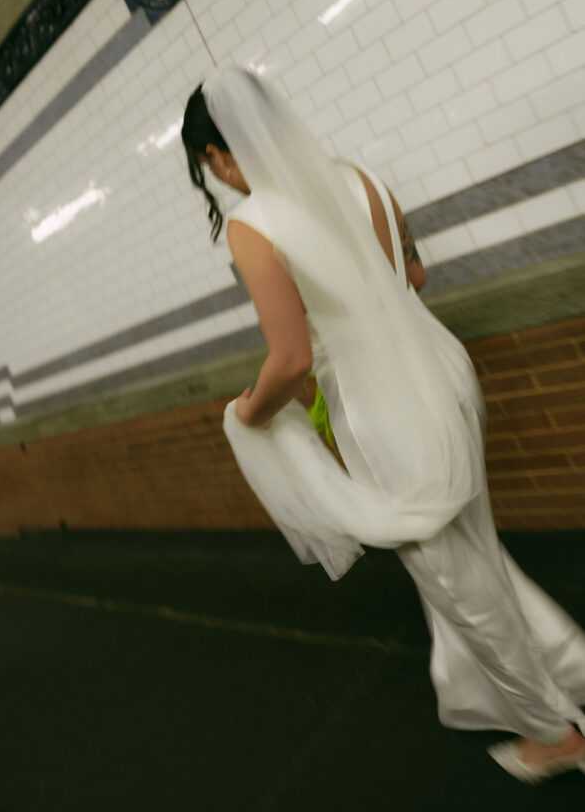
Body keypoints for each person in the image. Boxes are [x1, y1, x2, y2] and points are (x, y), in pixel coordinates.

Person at [181, 65, 585, 783]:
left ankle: (553, 735)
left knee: (459, 586)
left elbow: (290, 359)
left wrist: (246, 412)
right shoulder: (361, 178)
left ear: (215, 154)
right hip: (444, 370)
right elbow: (414, 278)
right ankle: (570, 673)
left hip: (380, 409)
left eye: (206, 165)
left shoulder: (251, 225)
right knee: (478, 555)